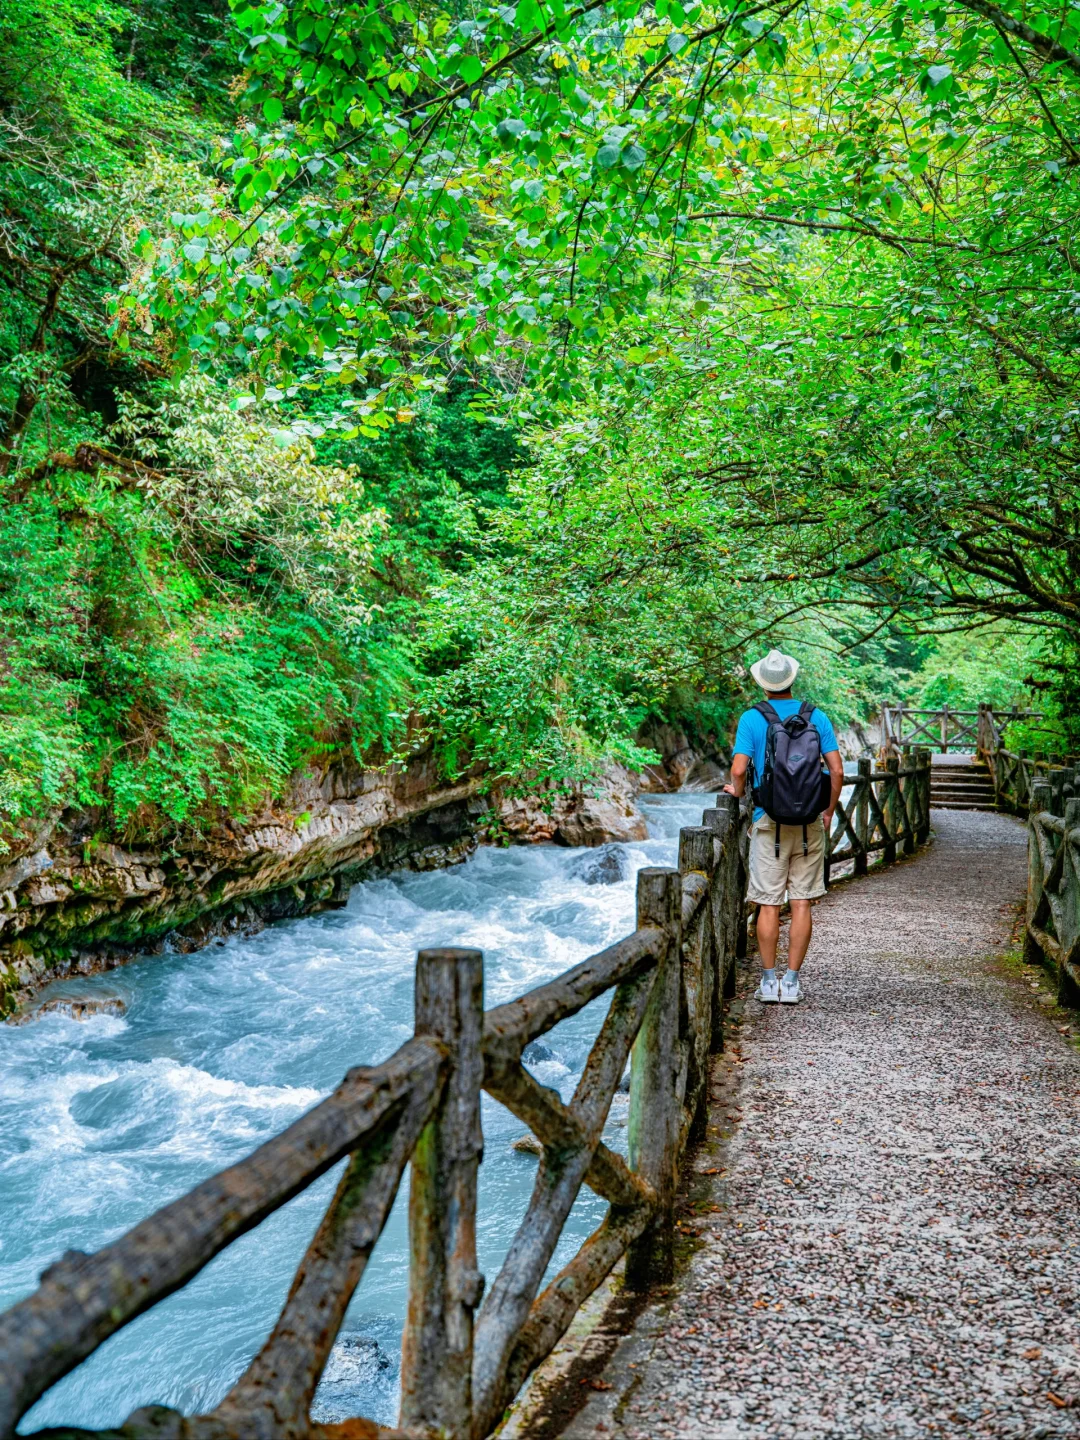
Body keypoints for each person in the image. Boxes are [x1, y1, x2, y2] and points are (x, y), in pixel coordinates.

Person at [723, 649, 844, 1004]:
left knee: (768, 903)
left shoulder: (752, 718)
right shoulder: (816, 716)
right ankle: (792, 983)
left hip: (767, 822)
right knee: (802, 902)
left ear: (763, 683)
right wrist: (828, 810)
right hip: (809, 823)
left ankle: (767, 981)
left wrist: (740, 792)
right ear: (792, 679)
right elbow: (836, 771)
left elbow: (739, 769)